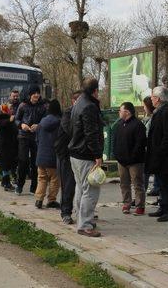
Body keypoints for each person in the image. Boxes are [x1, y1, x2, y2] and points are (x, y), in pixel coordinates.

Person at [68, 78, 104, 237]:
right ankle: (85, 225)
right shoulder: (89, 106)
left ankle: (81, 218)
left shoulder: (79, 103)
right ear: (95, 91)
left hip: (75, 153)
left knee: (81, 187)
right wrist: (97, 155)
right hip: (85, 154)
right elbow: (91, 134)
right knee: (91, 189)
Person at [146, 86, 168, 222]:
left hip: (165, 156)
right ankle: (162, 206)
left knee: (166, 183)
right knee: (160, 183)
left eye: (153, 97)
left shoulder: (167, 112)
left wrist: (160, 152)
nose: (152, 100)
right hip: (158, 155)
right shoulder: (159, 111)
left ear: (158, 99)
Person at [114, 102, 147, 216]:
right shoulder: (119, 125)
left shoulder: (138, 125)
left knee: (137, 183)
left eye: (120, 110)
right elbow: (115, 141)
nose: (119, 112)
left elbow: (140, 144)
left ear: (127, 112)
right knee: (124, 183)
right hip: (121, 161)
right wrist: (117, 155)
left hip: (135, 162)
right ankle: (126, 203)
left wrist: (132, 157)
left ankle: (140, 206)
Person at [14, 86, 46, 195]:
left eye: (38, 93)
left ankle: (34, 187)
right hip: (23, 136)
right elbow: (16, 119)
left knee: (35, 163)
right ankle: (19, 185)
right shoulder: (22, 105)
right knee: (23, 161)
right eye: (34, 93)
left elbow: (45, 121)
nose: (36, 95)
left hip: (36, 137)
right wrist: (21, 124)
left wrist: (39, 125)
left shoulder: (43, 106)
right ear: (29, 95)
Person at [56, 90, 81, 224]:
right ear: (74, 101)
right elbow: (69, 130)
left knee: (82, 185)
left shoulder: (86, 112)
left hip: (80, 153)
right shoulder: (68, 113)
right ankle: (66, 212)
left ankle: (83, 212)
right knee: (68, 184)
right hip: (66, 154)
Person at [35, 99, 62, 209]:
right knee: (54, 180)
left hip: (41, 156)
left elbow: (37, 139)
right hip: (53, 157)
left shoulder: (41, 122)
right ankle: (51, 200)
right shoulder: (60, 122)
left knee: (42, 178)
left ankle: (39, 200)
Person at [0, 103, 18, 190]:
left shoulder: (11, 118)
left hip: (10, 145)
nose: (12, 110)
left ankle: (4, 181)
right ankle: (7, 183)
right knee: (5, 164)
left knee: (7, 164)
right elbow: (1, 123)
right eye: (10, 108)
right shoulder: (0, 117)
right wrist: (9, 120)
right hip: (3, 145)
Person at [142, 96, 161, 204]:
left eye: (144, 105)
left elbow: (147, 133)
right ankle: (157, 193)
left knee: (146, 173)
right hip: (149, 149)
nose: (143, 108)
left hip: (150, 149)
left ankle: (158, 196)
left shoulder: (153, 118)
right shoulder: (148, 117)